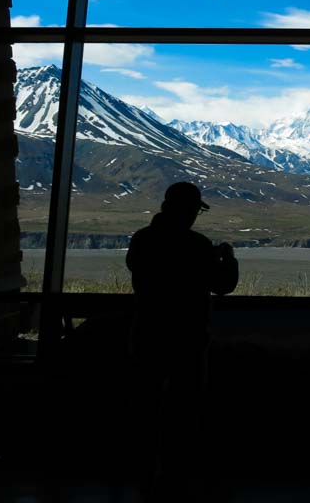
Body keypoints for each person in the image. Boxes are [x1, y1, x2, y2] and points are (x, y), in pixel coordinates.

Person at [126, 181, 238, 499]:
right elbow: (222, 285)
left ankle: (143, 469)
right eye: (193, 211)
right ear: (189, 211)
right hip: (188, 337)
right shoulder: (197, 245)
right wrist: (227, 259)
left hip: (147, 332)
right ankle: (177, 472)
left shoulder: (143, 240)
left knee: (146, 401)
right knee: (184, 406)